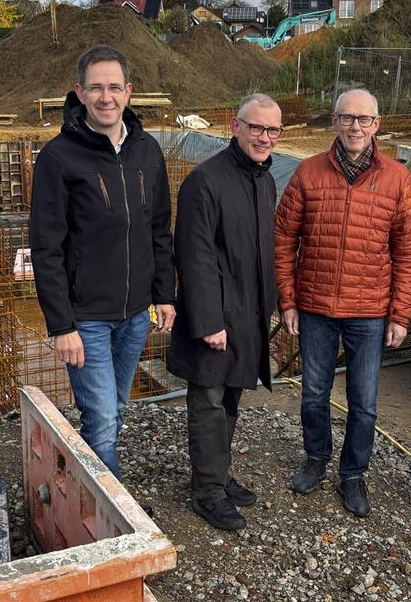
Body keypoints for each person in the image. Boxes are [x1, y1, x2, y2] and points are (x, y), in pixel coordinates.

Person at [29, 45, 175, 487]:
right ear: (80, 92)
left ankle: (84, 488)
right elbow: (46, 248)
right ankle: (111, 511)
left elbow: (159, 229)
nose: (105, 97)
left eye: (114, 87)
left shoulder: (147, 151)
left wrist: (164, 294)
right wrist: (62, 326)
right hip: (86, 318)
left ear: (129, 92)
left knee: (115, 408)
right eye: (96, 88)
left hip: (134, 315)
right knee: (104, 415)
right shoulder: (59, 158)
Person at [274, 89, 411, 518]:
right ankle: (316, 457)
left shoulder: (396, 179)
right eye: (347, 118)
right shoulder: (308, 172)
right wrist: (288, 300)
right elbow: (283, 239)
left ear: (377, 124)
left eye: (364, 119)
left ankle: (353, 473)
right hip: (315, 306)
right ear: (334, 122)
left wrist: (400, 314)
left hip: (370, 311)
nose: (355, 127)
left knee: (365, 402)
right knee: (313, 393)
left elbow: (408, 252)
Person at [168, 93, 282, 531]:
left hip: (247, 313)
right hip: (216, 317)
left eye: (273, 130)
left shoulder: (264, 180)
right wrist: (209, 322)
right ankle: (207, 492)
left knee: (231, 395)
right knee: (209, 402)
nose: (264, 137)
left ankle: (217, 474)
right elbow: (194, 256)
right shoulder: (205, 181)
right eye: (256, 127)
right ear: (236, 127)